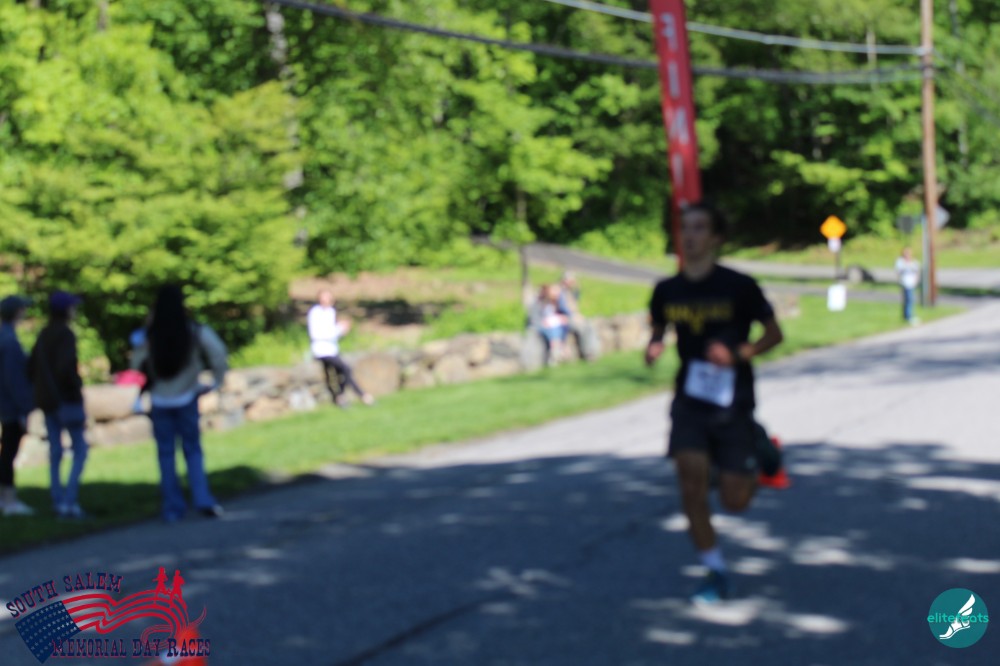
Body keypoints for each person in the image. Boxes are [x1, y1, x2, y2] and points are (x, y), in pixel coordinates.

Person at [645, 202, 784, 604]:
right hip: (689, 399)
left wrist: (740, 353)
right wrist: (654, 345)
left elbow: (774, 334)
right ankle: (715, 570)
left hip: (733, 401)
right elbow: (659, 327)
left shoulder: (739, 286)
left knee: (734, 501)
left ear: (716, 237)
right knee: (690, 483)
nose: (690, 235)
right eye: (685, 228)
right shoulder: (666, 290)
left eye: (699, 228)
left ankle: (760, 448)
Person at [131, 285, 227, 522]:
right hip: (187, 397)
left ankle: (172, 507)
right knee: (193, 450)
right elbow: (218, 352)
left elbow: (135, 365)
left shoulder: (150, 335)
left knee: (166, 454)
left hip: (159, 400)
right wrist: (216, 381)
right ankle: (202, 499)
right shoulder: (193, 330)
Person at [27, 291, 89, 519]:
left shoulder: (43, 334)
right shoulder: (65, 334)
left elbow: (31, 367)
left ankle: (58, 499)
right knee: (80, 450)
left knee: (55, 451)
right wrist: (75, 388)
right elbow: (65, 368)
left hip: (48, 401)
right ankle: (69, 501)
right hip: (66, 401)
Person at [307, 290, 374, 407]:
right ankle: (360, 395)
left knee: (339, 373)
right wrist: (339, 329)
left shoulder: (331, 312)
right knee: (345, 369)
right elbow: (317, 334)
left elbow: (331, 332)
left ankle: (342, 397)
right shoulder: (315, 313)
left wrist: (341, 330)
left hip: (332, 349)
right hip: (321, 350)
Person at [0, 295, 35, 516]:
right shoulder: (9, 342)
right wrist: (24, 407)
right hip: (10, 406)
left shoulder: (5, 337)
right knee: (9, 453)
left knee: (7, 451)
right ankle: (9, 500)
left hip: (6, 403)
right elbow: (13, 380)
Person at [527, 284, 570, 365]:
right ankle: (557, 351)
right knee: (554, 330)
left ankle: (558, 350)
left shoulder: (555, 303)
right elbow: (534, 319)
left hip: (552, 325)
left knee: (559, 327)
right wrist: (544, 322)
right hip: (540, 326)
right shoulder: (537, 303)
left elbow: (566, 313)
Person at [894, 247, 920, 324]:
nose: (907, 255)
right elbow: (898, 272)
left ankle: (907, 315)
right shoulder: (900, 262)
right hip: (905, 283)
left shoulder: (914, 262)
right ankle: (908, 316)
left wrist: (916, 281)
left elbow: (917, 272)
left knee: (910, 300)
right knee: (908, 299)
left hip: (912, 283)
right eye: (906, 253)